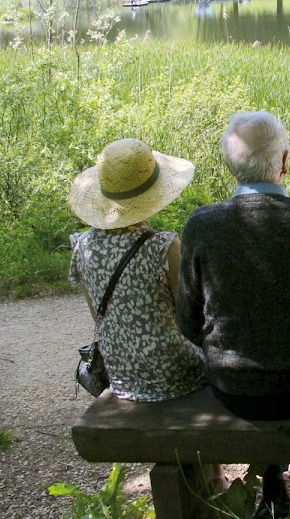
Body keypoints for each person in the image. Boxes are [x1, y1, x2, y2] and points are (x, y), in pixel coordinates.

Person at [176, 111, 290, 519]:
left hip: (234, 388)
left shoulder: (202, 226)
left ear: (230, 166)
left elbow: (189, 322)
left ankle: (274, 483)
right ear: (285, 161)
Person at [68, 138, 205, 402]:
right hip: (178, 376)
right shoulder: (162, 247)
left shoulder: (81, 246)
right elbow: (190, 318)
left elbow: (98, 316)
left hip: (122, 377)